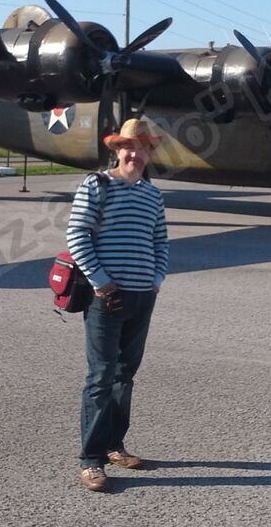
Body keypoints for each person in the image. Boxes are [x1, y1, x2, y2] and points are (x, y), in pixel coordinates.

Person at [66, 117, 169, 492]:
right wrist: (100, 281)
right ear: (116, 150)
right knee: (101, 376)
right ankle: (91, 460)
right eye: (128, 146)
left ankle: (114, 445)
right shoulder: (97, 185)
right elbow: (77, 234)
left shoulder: (152, 194)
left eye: (141, 147)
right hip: (107, 296)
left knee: (125, 374)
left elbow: (161, 241)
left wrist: (156, 280)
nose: (134, 153)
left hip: (143, 296)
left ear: (148, 153)